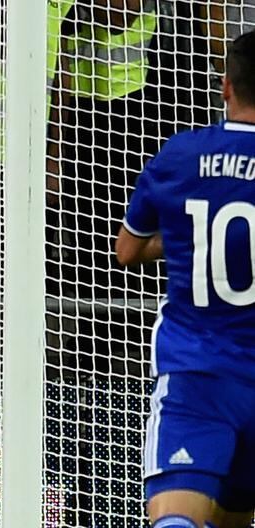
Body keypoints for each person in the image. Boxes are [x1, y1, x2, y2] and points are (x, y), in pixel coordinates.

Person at [116, 31, 255, 528]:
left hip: (197, 375)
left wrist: (184, 237)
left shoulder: (180, 155)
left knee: (178, 520)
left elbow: (126, 250)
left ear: (226, 87)